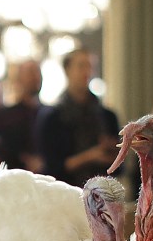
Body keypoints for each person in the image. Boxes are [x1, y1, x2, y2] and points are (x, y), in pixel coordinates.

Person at [38, 49, 121, 188]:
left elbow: (119, 168)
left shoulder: (107, 116)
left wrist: (112, 153)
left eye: (90, 66)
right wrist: (89, 156)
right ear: (67, 70)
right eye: (81, 66)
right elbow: (49, 168)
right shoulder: (52, 117)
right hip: (65, 192)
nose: (87, 72)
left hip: (102, 193)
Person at [0, 58, 46, 172]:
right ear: (19, 79)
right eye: (30, 73)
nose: (35, 77)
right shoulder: (3, 116)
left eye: (37, 72)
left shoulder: (51, 114)